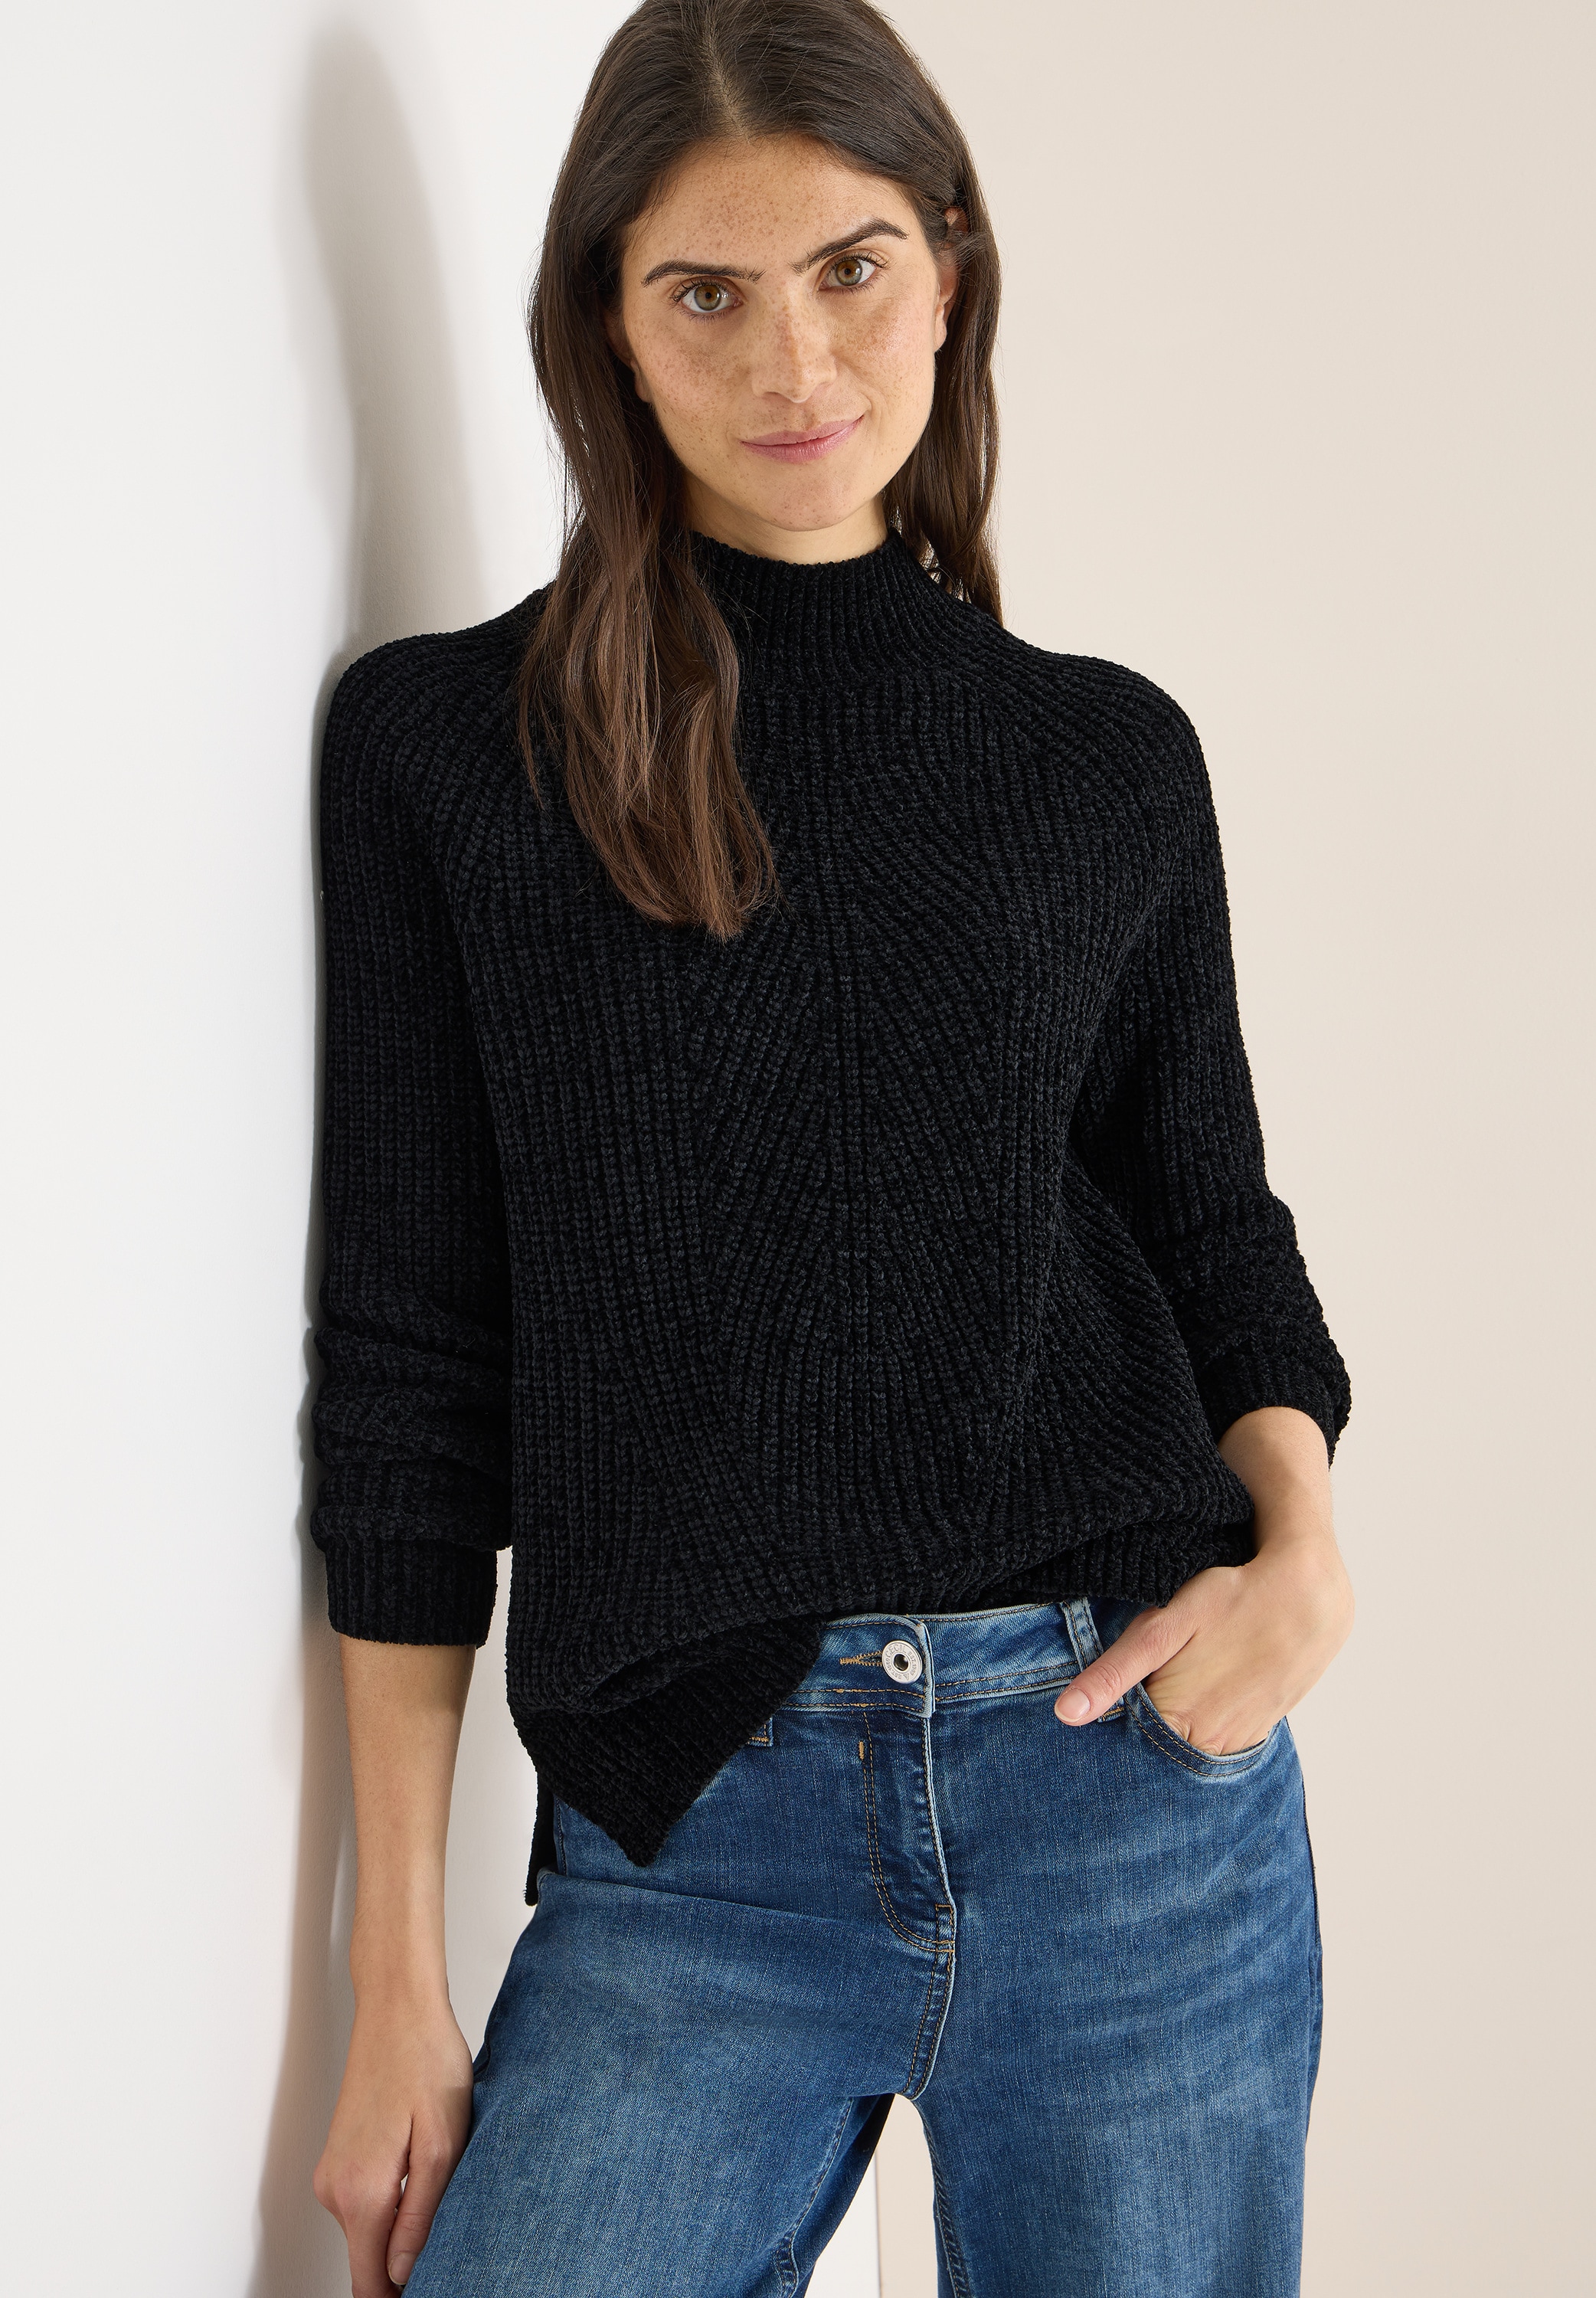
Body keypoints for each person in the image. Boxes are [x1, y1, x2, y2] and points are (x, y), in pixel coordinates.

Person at [309, 2, 1353, 2292]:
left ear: (949, 271)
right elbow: (410, 1367)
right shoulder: (450, 752)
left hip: (1130, 1786)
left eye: (851, 269)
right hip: (694, 1819)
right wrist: (393, 1980)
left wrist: (1299, 1541)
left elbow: (1208, 1221)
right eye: (706, 290)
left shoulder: (1101, 757)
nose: (793, 360)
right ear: (608, 321)